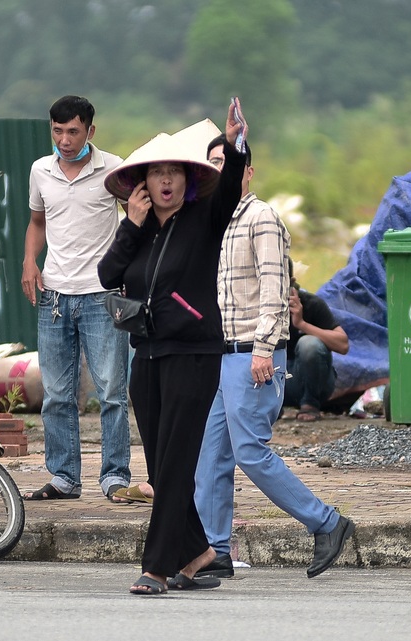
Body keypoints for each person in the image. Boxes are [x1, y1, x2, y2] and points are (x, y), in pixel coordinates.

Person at [98, 101, 247, 595]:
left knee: (177, 463)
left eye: (173, 173)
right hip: (148, 356)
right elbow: (107, 275)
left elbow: (229, 188)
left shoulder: (206, 218)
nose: (165, 182)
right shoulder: (138, 230)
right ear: (142, 185)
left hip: (194, 355)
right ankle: (200, 552)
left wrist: (233, 144)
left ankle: (157, 566)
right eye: (156, 174)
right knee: (163, 466)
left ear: (186, 180)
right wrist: (130, 225)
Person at [193, 131, 355, 581]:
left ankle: (327, 522)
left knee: (250, 451)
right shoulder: (214, 221)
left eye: (225, 164)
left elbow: (274, 290)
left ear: (247, 171)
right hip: (220, 356)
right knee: (210, 455)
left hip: (253, 354)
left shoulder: (260, 218)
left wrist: (265, 348)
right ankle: (215, 548)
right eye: (211, 164)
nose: (218, 172)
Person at [21, 95, 131, 502]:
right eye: (57, 131)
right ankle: (64, 477)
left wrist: (128, 270)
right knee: (56, 394)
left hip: (102, 296)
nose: (65, 141)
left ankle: (115, 477)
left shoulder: (115, 169)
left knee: (113, 393)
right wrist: (30, 261)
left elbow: (137, 217)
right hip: (54, 297)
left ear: (90, 131)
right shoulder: (41, 170)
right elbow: (37, 222)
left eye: (73, 131)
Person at [283, 256, 350, 421]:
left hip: (310, 382)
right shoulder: (256, 307)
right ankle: (270, 408)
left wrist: (302, 324)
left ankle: (310, 404)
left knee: (309, 343)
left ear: (291, 282)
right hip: (277, 382)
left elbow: (343, 345)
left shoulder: (311, 303)